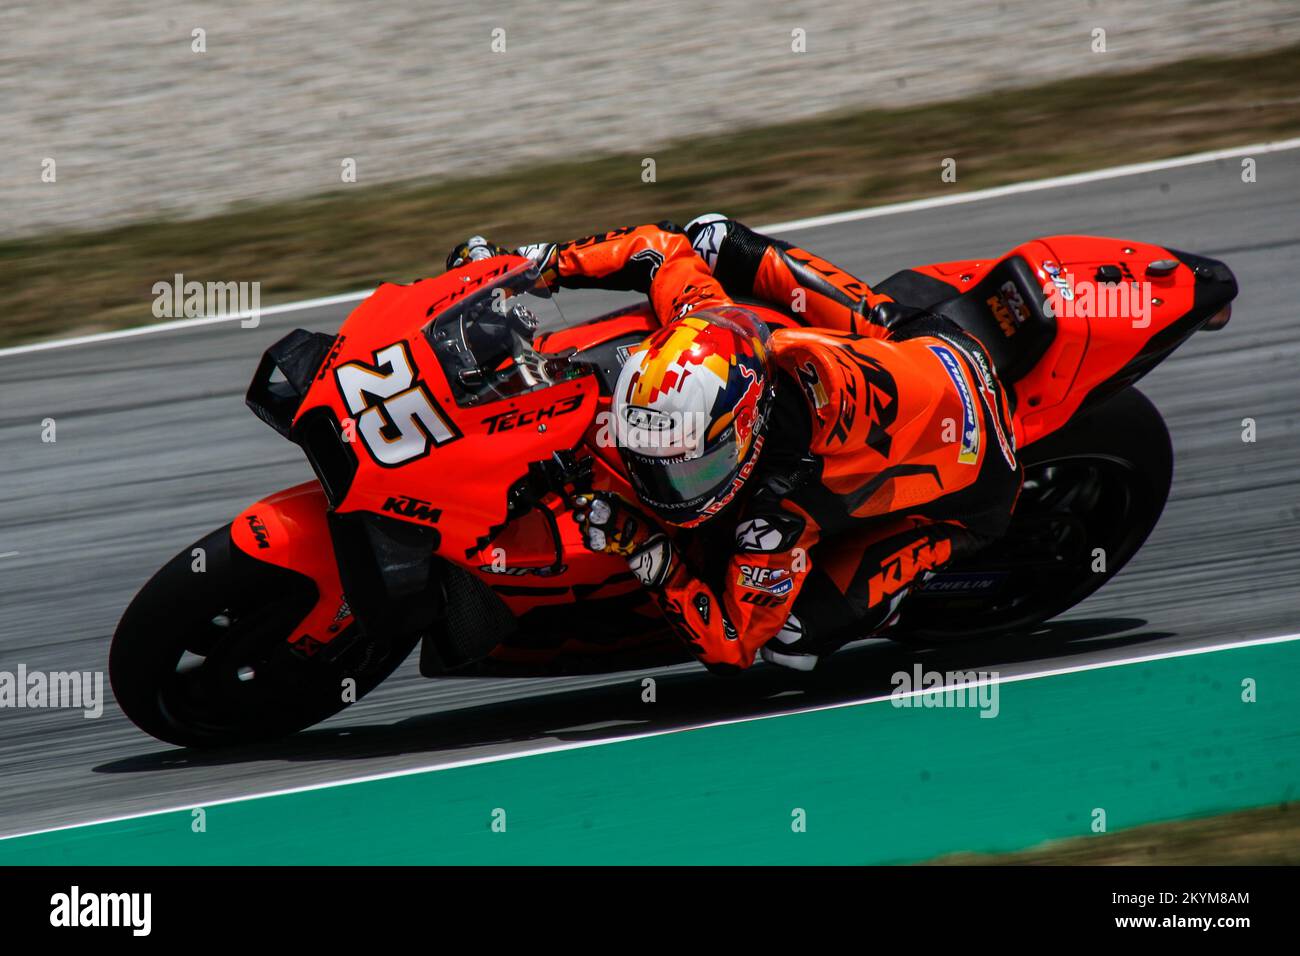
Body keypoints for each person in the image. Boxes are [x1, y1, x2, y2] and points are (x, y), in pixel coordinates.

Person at [446, 216, 1022, 672]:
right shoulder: (710, 317)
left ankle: (902, 593)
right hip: (919, 341)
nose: (663, 485)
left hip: (980, 483)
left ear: (744, 435)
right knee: (710, 236)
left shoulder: (780, 514)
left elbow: (730, 646)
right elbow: (659, 248)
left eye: (685, 469)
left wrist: (647, 547)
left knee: (790, 643)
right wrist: (527, 269)